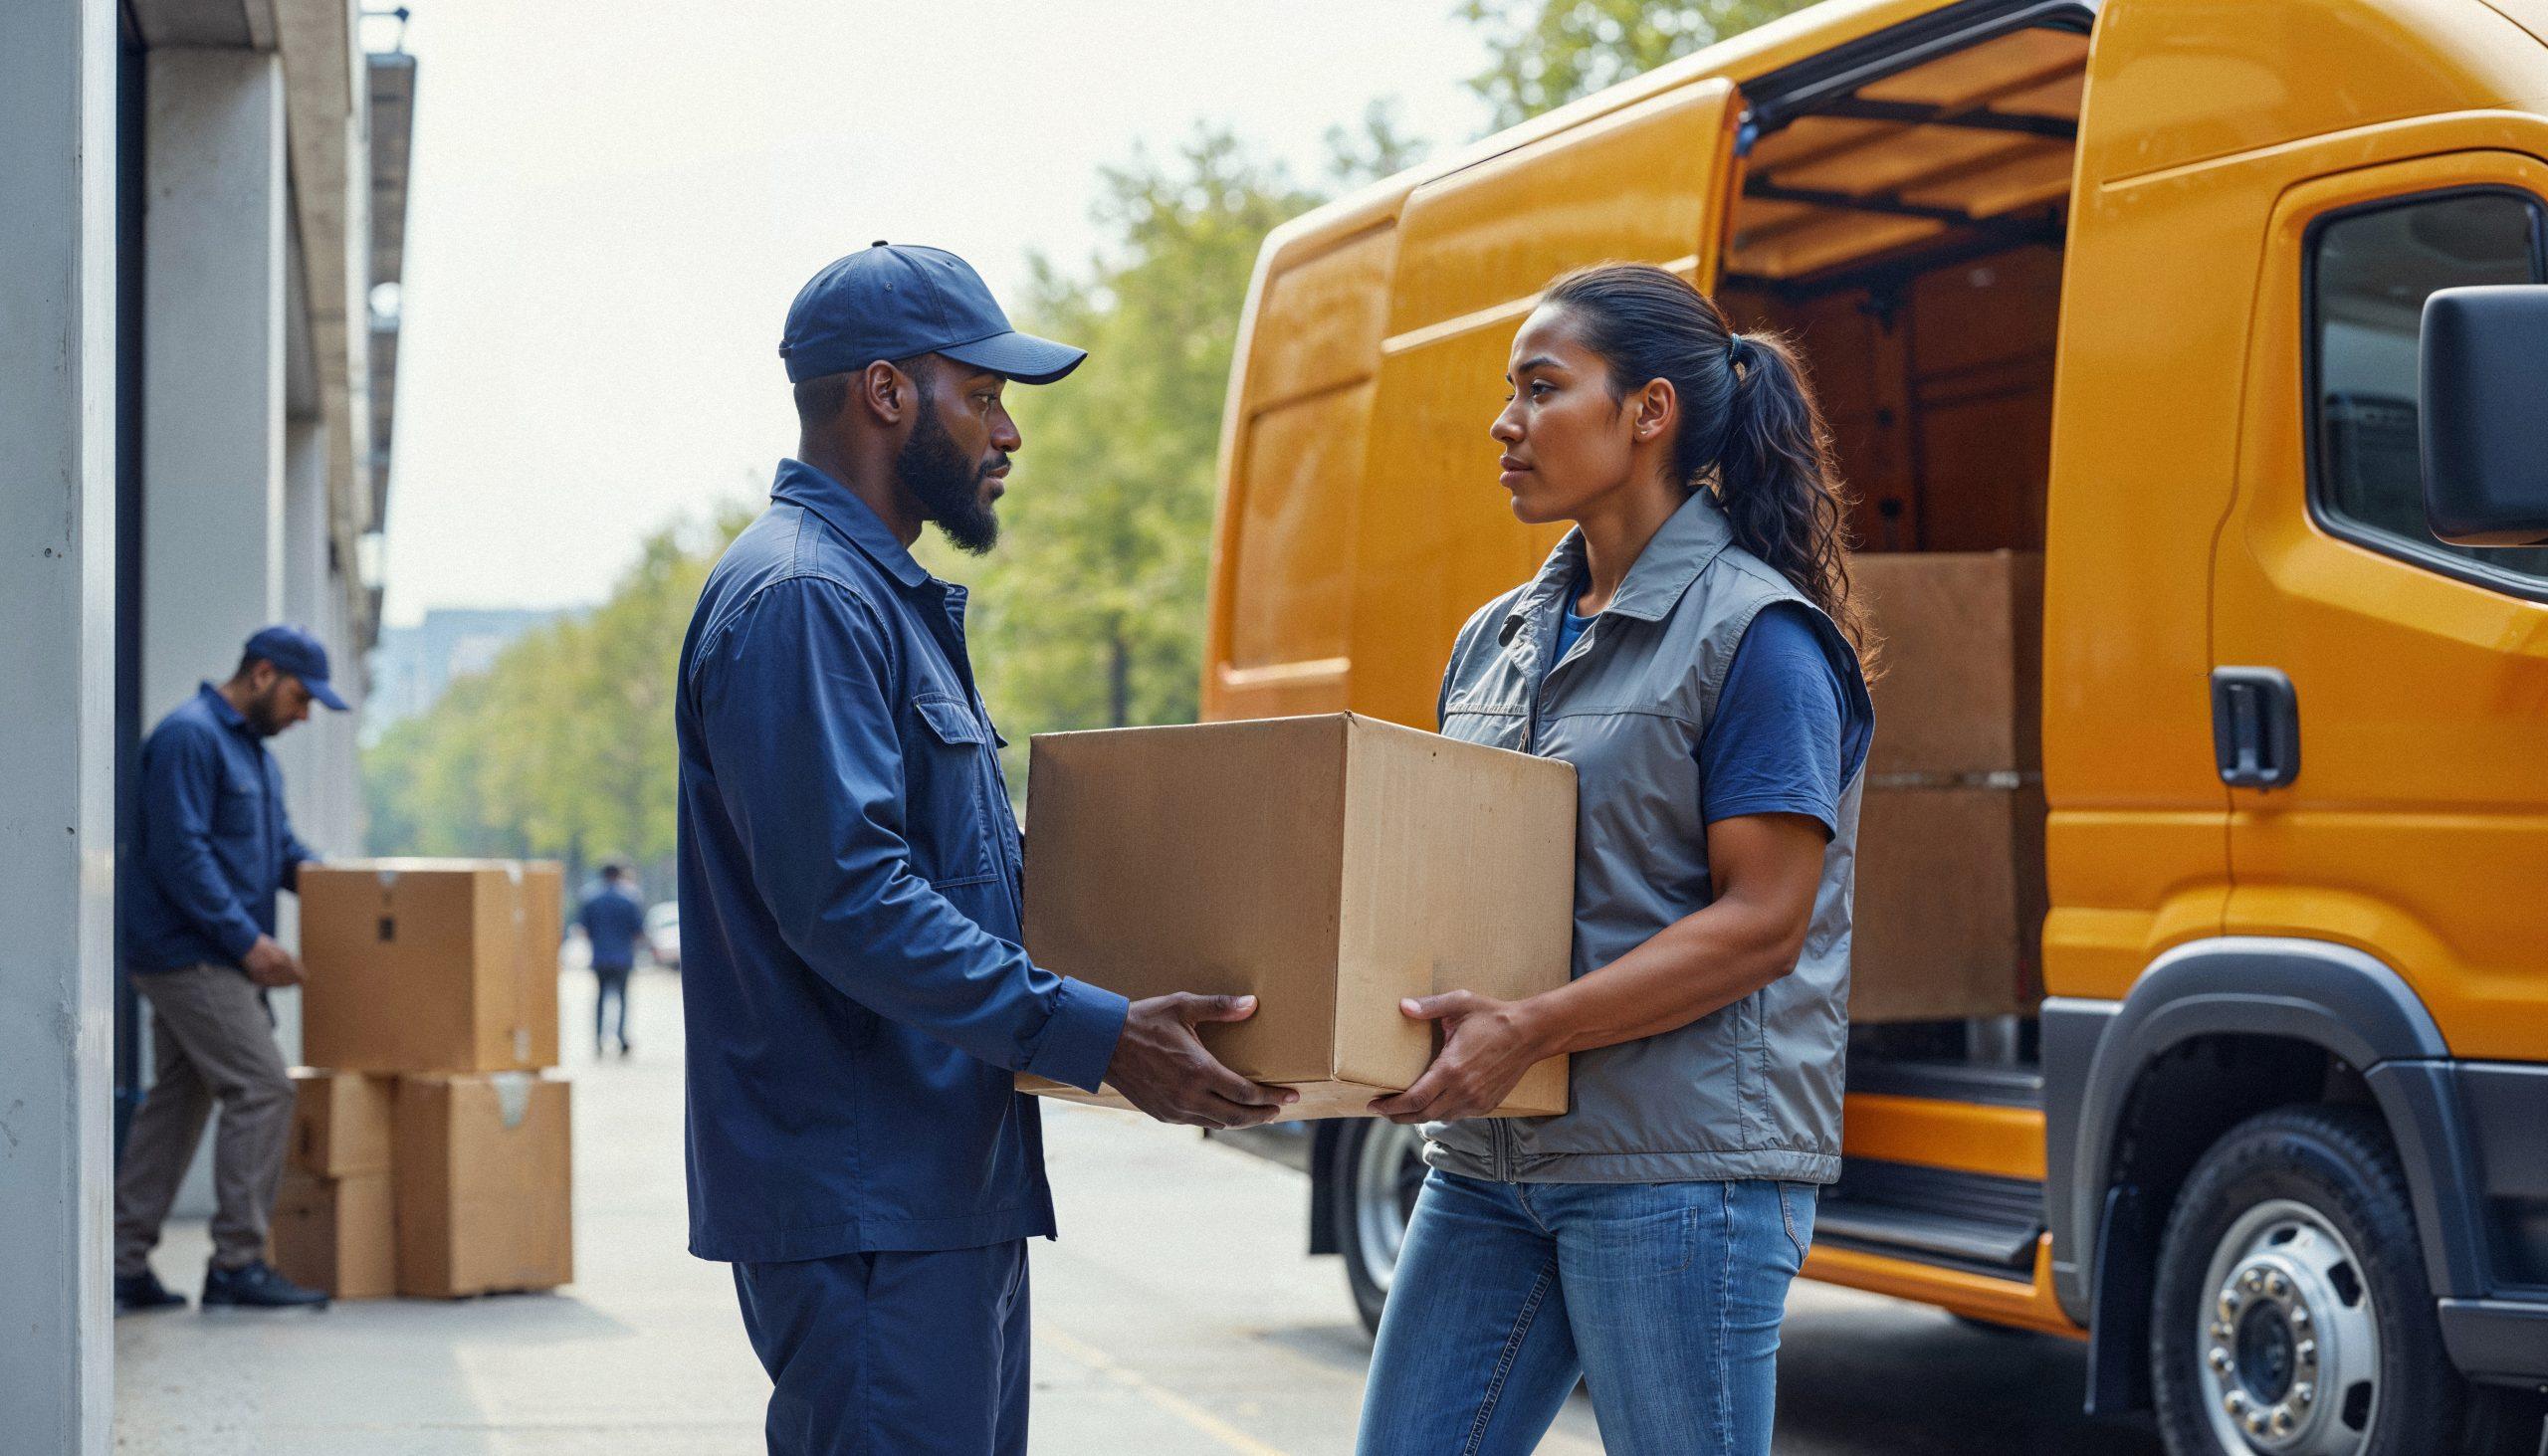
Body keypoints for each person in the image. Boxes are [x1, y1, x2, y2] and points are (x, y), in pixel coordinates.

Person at [677, 241, 1295, 1456]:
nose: (1006, 432)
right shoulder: (804, 598)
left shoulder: (870, 598)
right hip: (870, 1201)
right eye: (984, 394)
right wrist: (1102, 1033)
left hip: (929, 1186)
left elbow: (958, 878)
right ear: (886, 393)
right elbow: (849, 900)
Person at [1355, 264, 1877, 1456]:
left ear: (1648, 412)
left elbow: (1763, 920)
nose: (1506, 421)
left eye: (1542, 388)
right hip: (1491, 1163)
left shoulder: (1758, 637)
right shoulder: (1492, 640)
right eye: (1511, 391)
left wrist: (1531, 1027)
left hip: (1679, 1175)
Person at [114, 625, 351, 1314]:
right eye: (302, 698)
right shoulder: (189, 737)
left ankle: (122, 1261)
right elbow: (180, 855)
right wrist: (248, 942)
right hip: (192, 955)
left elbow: (282, 853)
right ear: (263, 674)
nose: (305, 715)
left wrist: (348, 889)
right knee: (264, 1088)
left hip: (212, 953)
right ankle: (238, 1264)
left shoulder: (254, 755)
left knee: (179, 1100)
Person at [574, 863, 646, 1057]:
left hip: (600, 958)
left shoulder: (590, 898)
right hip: (623, 957)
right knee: (622, 999)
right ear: (619, 874)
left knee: (600, 999)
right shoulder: (630, 898)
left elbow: (583, 930)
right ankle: (621, 1039)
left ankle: (598, 1040)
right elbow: (639, 932)